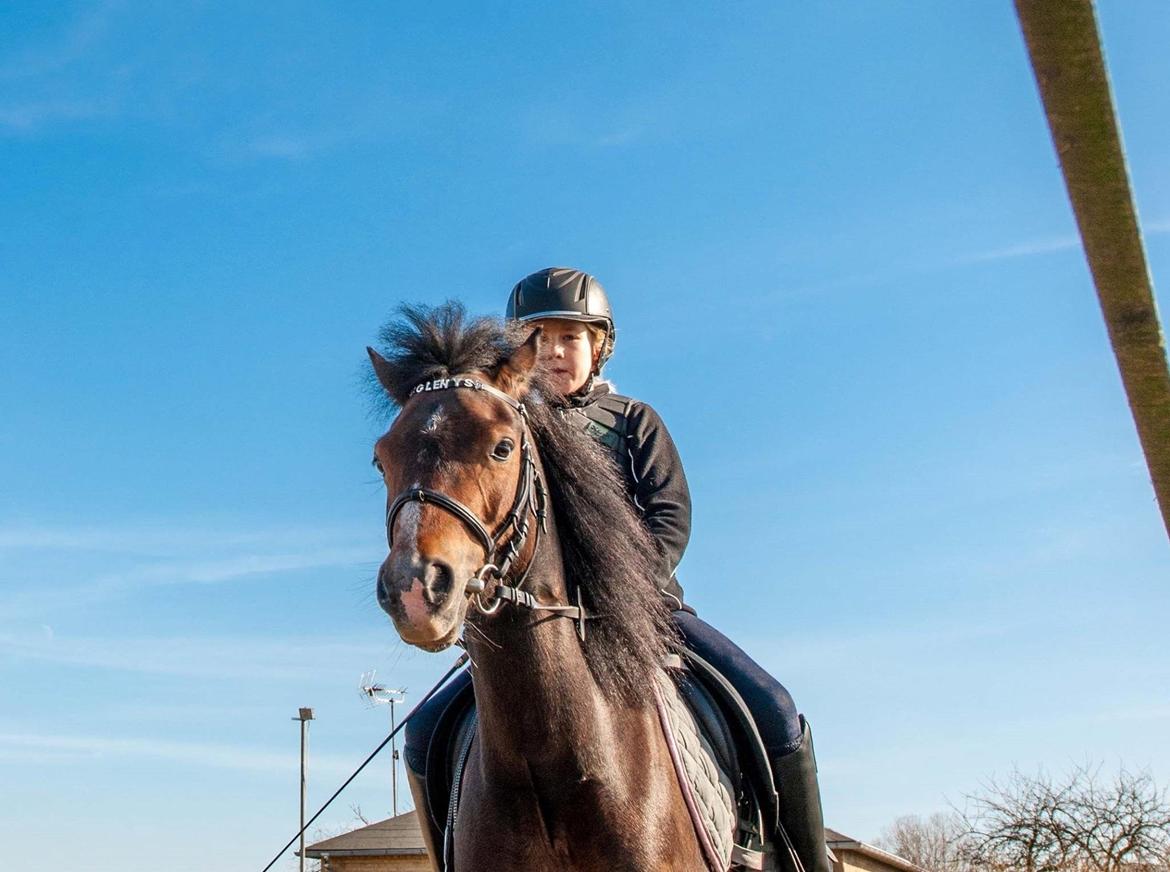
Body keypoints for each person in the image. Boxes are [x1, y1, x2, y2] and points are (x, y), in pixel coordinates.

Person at [403, 267, 829, 872]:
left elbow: (669, 519)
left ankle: (801, 858)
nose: (552, 351)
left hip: (645, 616)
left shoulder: (634, 422)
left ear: (598, 347)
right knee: (421, 735)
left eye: (569, 338)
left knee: (776, 712)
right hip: (527, 629)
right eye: (536, 337)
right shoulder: (500, 432)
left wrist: (620, 593)